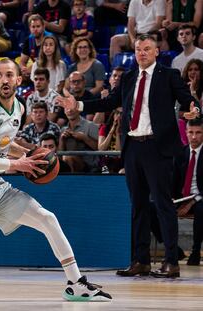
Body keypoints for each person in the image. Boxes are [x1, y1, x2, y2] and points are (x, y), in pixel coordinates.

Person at [0, 58, 112, 302]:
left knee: (48, 219)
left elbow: (3, 143)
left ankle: (76, 283)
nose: (5, 80)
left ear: (18, 79)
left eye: (9, 75)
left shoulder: (19, 107)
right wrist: (17, 164)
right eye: (0, 75)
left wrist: (28, 154)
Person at [56, 34, 201, 278]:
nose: (142, 53)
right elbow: (110, 102)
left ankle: (171, 262)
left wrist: (192, 110)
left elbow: (188, 101)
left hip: (158, 147)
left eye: (147, 49)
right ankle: (141, 261)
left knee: (164, 205)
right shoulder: (129, 77)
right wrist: (79, 105)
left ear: (156, 52)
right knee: (138, 206)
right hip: (133, 147)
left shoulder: (169, 75)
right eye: (138, 49)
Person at [173, 118, 203, 266]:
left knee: (201, 209)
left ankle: (196, 251)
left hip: (200, 198)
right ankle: (174, 251)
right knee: (154, 208)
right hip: (182, 198)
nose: (194, 136)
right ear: (185, 132)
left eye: (198, 133)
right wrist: (171, 199)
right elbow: (173, 181)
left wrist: (191, 202)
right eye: (190, 132)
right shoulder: (181, 153)